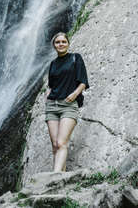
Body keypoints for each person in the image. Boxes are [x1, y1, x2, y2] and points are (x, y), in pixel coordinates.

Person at [45, 32, 89, 172]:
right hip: (52, 106)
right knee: (55, 145)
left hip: (68, 105)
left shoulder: (76, 58)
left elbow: (83, 82)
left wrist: (74, 94)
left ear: (68, 44)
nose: (61, 44)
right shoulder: (53, 64)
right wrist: (48, 94)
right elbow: (51, 85)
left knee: (61, 142)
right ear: (54, 46)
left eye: (63, 41)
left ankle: (53, 179)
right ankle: (61, 181)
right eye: (58, 42)